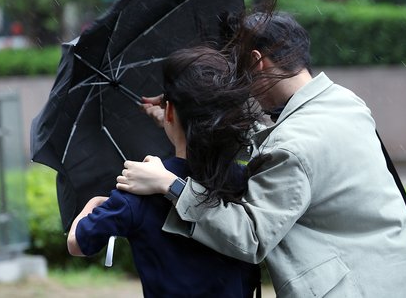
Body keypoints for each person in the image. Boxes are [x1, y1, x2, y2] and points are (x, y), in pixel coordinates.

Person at [116, 12, 406, 297]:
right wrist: (183, 122)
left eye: (239, 69)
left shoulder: (292, 145)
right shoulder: (344, 102)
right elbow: (288, 152)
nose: (239, 84)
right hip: (400, 276)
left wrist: (171, 185)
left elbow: (251, 237)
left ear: (257, 62)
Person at [67, 46, 261, 298]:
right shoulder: (245, 181)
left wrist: (94, 203)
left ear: (168, 111)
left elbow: (78, 243)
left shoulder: (139, 190)